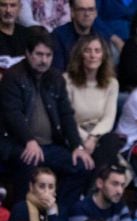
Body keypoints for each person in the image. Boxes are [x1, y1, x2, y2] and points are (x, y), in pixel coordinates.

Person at [0, 28, 94, 209]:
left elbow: (66, 114)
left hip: (50, 146)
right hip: (17, 145)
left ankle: (58, 213)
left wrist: (77, 146)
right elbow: (12, 113)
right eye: (39, 54)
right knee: (29, 162)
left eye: (48, 55)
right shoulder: (13, 76)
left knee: (82, 166)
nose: (44, 60)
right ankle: (23, 218)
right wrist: (29, 140)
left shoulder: (56, 78)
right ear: (28, 54)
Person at [64, 34, 122, 169]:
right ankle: (96, 186)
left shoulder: (112, 83)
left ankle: (96, 186)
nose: (92, 55)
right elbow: (67, 118)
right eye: (87, 50)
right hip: (74, 134)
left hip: (98, 136)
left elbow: (108, 119)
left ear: (103, 55)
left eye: (97, 51)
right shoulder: (66, 80)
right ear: (80, 55)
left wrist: (93, 138)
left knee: (110, 141)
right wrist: (85, 139)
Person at [51, 0, 109, 72]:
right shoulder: (58, 35)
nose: (87, 14)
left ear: (96, 13)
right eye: (82, 9)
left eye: (91, 9)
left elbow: (107, 69)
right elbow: (57, 72)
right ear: (72, 12)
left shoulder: (102, 36)